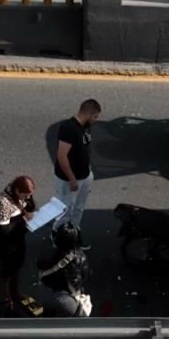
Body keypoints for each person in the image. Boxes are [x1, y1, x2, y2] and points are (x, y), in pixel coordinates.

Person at [52, 98, 102, 247]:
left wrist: (88, 171)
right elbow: (62, 156)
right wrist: (72, 179)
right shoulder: (69, 128)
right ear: (89, 114)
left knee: (79, 207)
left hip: (85, 175)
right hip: (69, 179)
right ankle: (57, 233)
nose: (95, 120)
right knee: (65, 208)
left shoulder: (85, 127)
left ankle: (73, 230)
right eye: (95, 117)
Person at [0, 175, 36, 308]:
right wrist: (25, 222)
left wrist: (27, 208)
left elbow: (30, 206)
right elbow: (3, 231)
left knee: (17, 265)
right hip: (5, 244)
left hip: (18, 239)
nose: (28, 198)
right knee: (6, 270)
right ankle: (4, 298)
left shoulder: (19, 190)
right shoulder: (2, 203)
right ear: (17, 191)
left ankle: (14, 292)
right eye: (26, 195)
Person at [38, 223, 92, 317]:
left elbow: (40, 267)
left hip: (47, 295)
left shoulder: (48, 253)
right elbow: (82, 278)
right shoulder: (80, 258)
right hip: (66, 301)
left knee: (47, 317)